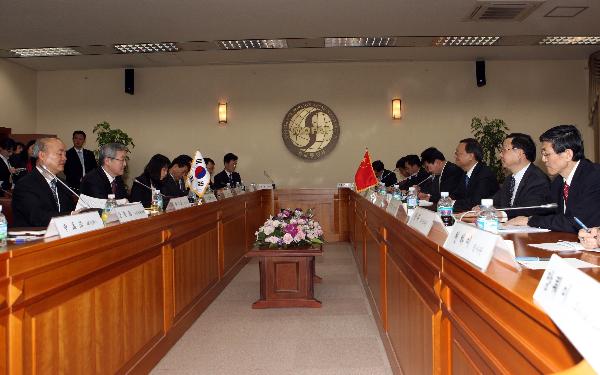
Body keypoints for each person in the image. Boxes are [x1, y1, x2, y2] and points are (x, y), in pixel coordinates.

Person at [507, 125, 600, 233]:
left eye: (546, 154)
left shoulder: (594, 177)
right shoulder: (559, 182)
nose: (543, 159)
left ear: (568, 154)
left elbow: (576, 222)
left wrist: (530, 220)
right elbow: (544, 210)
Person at [11, 138, 76, 227]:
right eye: (60, 154)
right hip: (34, 238)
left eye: (65, 154)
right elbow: (38, 218)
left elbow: (69, 210)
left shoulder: (63, 184)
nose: (65, 158)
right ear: (42, 155)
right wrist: (72, 215)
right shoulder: (25, 185)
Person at [487, 133, 550, 218]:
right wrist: (482, 207)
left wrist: (502, 214)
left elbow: (529, 209)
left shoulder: (538, 180)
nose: (500, 155)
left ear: (519, 153)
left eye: (503, 150)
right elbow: (495, 201)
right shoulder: (510, 179)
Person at [452, 138, 499, 212]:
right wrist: (447, 199)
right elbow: (457, 194)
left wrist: (451, 203)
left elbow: (476, 202)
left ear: (471, 156)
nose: (455, 156)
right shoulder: (465, 173)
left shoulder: (484, 174)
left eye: (458, 153)